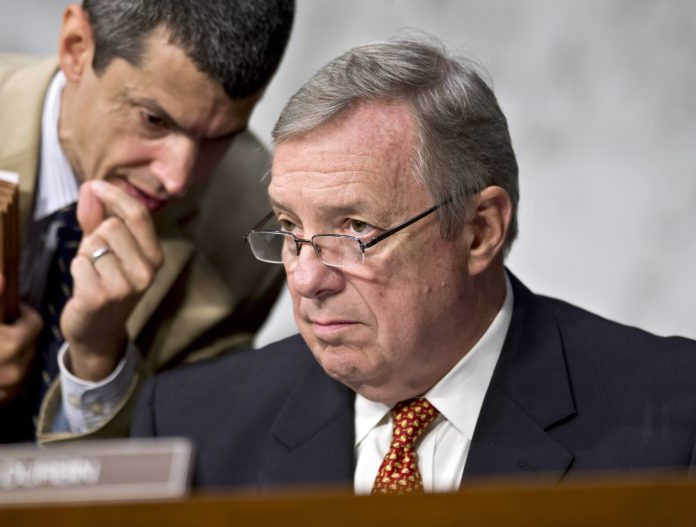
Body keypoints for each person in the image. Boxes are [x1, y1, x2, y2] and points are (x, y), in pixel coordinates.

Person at [131, 35, 696, 493]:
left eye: (356, 230)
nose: (305, 278)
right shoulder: (190, 429)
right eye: (289, 229)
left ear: (479, 232)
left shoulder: (673, 415)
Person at [0, 0, 294, 445]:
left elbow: (184, 461)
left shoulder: (251, 225)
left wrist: (100, 360)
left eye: (218, 139)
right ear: (76, 47)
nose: (177, 179)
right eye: (154, 120)